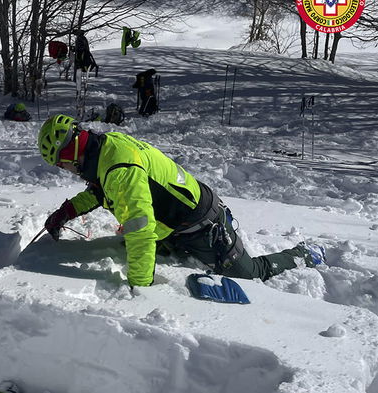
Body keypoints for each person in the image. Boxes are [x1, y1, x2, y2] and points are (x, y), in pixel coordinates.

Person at [37, 114, 325, 288]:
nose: (67, 172)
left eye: (62, 166)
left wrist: (140, 286)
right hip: (175, 222)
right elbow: (100, 192)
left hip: (202, 223)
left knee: (250, 275)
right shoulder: (105, 149)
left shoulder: (120, 169)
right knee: (131, 243)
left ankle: (303, 254)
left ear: (71, 155)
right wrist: (66, 211)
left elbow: (140, 226)